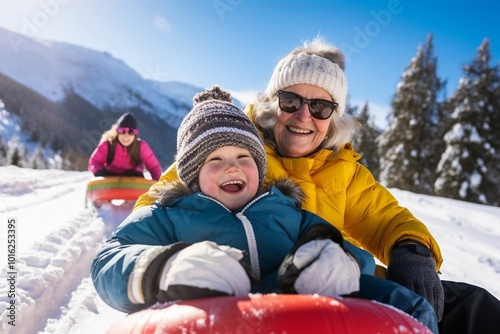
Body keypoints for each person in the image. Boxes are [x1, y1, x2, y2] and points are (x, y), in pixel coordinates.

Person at [134, 38, 500, 334]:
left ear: (333, 117)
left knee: (473, 307)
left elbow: (386, 217)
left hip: (335, 287)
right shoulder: (233, 149)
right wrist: (171, 265)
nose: (304, 116)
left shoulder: (342, 169)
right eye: (291, 101)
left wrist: (412, 251)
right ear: (271, 105)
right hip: (248, 294)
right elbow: (156, 207)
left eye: (321, 107)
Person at [91, 86, 361, 314]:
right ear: (193, 176)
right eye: (215, 160)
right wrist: (163, 267)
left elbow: (354, 255)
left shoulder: (289, 213)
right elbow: (108, 261)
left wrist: (340, 262)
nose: (233, 168)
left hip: (288, 321)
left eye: (245, 158)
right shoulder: (168, 216)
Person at [88, 112, 162, 180]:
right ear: (117, 132)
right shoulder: (108, 144)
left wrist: (157, 184)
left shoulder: (141, 147)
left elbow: (154, 167)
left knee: (134, 174)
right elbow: (95, 161)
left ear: (135, 134)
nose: (126, 136)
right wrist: (101, 173)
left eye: (131, 132)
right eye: (122, 131)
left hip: (134, 182)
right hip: (111, 181)